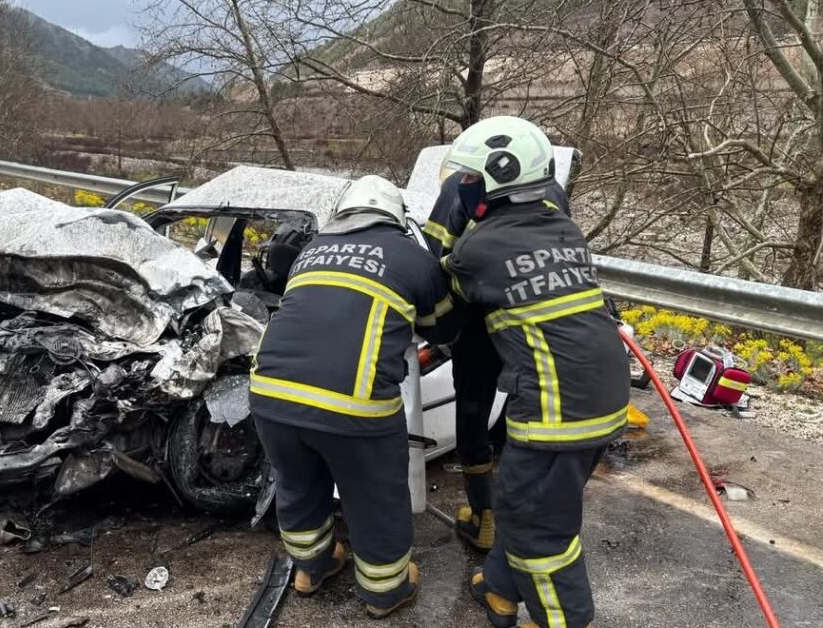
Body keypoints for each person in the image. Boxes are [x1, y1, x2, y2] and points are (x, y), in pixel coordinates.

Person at [441, 116, 629, 628]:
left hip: (556, 409)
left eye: (469, 179)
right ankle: (501, 590)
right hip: (605, 394)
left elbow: (442, 312)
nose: (462, 188)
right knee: (532, 502)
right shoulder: (564, 226)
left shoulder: (477, 250)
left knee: (532, 520)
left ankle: (565, 617)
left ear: (497, 179)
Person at [249, 175, 459, 618]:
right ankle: (385, 591)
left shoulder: (310, 252)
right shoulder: (413, 257)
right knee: (375, 495)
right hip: (354, 405)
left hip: (270, 394)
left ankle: (311, 568)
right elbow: (444, 330)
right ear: (395, 216)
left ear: (342, 214)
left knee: (299, 482)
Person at [423, 141, 573, 553]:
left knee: (472, 406)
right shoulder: (551, 188)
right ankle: (525, 509)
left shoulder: (456, 186)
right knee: (531, 401)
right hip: (536, 317)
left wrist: (436, 325)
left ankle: (484, 514)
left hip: (478, 318)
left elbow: (436, 257)